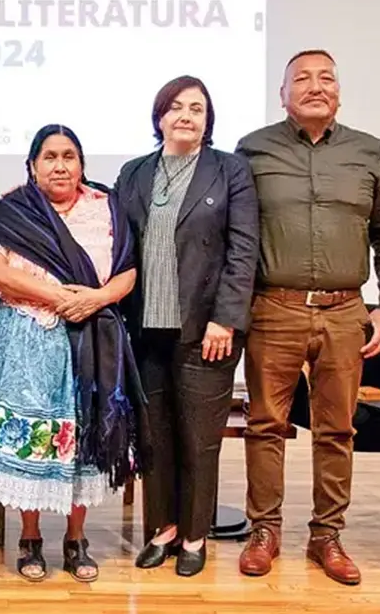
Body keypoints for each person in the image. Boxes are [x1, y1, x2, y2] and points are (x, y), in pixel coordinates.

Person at [234, 49, 380, 586]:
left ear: (339, 91)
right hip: (273, 309)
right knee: (265, 426)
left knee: (337, 429)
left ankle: (326, 536)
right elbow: (234, 235)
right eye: (301, 79)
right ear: (281, 93)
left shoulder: (367, 150)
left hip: (345, 312)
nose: (315, 86)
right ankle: (264, 531)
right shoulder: (252, 150)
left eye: (326, 77)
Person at [0, 124, 145, 583]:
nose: (60, 165)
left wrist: (96, 300)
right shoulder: (15, 207)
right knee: (34, 436)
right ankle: (29, 537)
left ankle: (75, 538)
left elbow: (128, 272)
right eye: (49, 156)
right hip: (27, 341)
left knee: (84, 438)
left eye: (69, 156)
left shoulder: (106, 207)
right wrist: (57, 294)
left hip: (91, 337)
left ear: (82, 164)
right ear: (32, 165)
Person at [115, 76, 258, 577]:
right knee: (153, 435)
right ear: (159, 117)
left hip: (206, 330)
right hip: (144, 329)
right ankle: (163, 530)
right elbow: (110, 233)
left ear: (208, 120)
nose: (185, 116)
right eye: (175, 107)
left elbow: (244, 252)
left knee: (200, 438)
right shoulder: (134, 173)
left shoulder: (230, 171)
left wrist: (227, 317)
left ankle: (195, 535)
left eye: (196, 108)